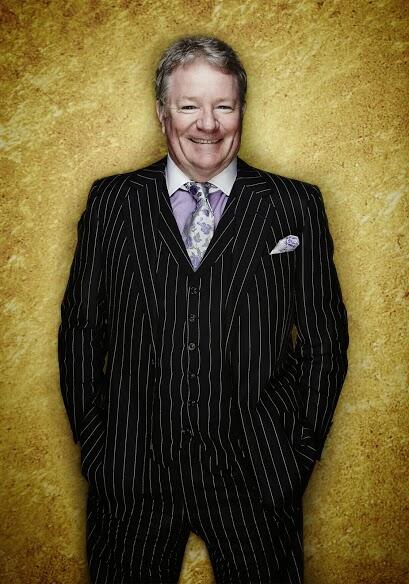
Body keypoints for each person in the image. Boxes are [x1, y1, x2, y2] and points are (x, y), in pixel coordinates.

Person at [58, 35, 348, 584]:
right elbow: (80, 331)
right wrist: (98, 446)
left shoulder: (295, 206)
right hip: (132, 477)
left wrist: (297, 452)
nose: (207, 124)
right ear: (162, 112)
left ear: (242, 110)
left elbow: (324, 341)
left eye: (224, 106)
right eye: (189, 105)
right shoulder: (111, 203)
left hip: (257, 477)